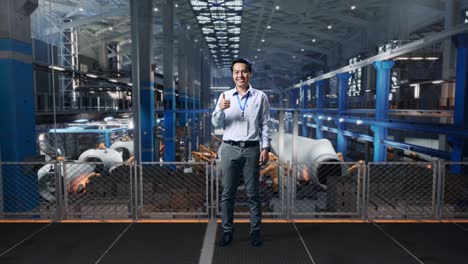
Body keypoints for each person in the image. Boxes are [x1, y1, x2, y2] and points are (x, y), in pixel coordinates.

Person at [212, 58, 271, 247]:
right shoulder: (224, 96)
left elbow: (265, 124)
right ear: (232, 75)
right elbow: (216, 123)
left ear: (250, 73)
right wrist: (220, 109)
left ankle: (255, 232)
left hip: (252, 149)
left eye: (244, 71)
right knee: (227, 193)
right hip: (229, 148)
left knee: (253, 193)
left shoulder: (260, 96)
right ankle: (227, 232)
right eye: (236, 72)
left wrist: (265, 147)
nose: (240, 75)